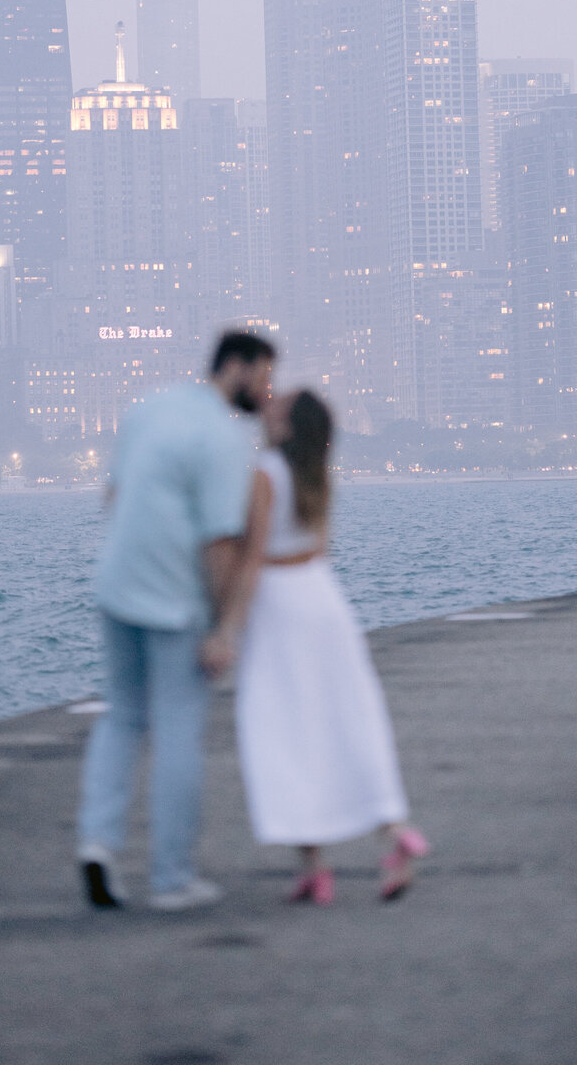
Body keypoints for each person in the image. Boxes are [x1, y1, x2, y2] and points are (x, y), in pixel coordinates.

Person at [76, 330, 276, 912]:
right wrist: (222, 629)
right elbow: (219, 543)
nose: (267, 388)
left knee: (121, 716)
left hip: (118, 584)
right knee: (178, 732)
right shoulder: (222, 438)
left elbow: (113, 495)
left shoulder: (150, 405)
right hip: (173, 599)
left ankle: (97, 843)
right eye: (263, 374)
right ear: (235, 367)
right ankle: (171, 877)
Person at [210, 388, 429, 905]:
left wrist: (226, 628)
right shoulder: (315, 476)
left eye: (278, 409)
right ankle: (392, 835)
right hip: (323, 599)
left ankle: (316, 864)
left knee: (283, 730)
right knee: (346, 721)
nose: (267, 410)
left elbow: (253, 556)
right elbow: (318, 546)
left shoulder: (265, 473)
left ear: (289, 426)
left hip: (281, 607)